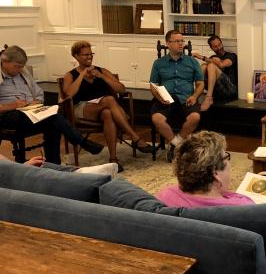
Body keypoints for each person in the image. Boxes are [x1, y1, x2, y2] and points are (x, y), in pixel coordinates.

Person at [0, 45, 104, 164]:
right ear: (4, 61)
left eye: (21, 67)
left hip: (30, 111)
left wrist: (37, 101)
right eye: (16, 67)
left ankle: (53, 164)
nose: (19, 70)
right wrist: (13, 105)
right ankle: (81, 142)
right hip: (8, 116)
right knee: (53, 118)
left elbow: (39, 93)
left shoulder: (23, 73)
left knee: (53, 122)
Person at [62, 41, 153, 173]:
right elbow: (68, 95)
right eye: (85, 55)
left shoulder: (101, 71)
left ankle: (113, 159)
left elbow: (121, 90)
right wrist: (81, 75)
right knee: (110, 100)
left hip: (104, 107)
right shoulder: (70, 75)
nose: (89, 57)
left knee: (108, 114)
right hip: (82, 108)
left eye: (91, 54)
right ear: (76, 56)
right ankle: (135, 137)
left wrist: (102, 77)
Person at [150, 31, 204, 162]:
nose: (181, 44)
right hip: (166, 98)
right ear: (168, 44)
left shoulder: (192, 62)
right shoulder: (158, 63)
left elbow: (200, 83)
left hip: (186, 97)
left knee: (195, 117)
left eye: (182, 41)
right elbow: (153, 85)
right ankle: (178, 145)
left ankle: (174, 144)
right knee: (157, 118)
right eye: (177, 41)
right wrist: (159, 97)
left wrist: (195, 96)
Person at [191, 35, 238, 111]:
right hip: (217, 92)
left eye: (219, 45)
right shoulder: (213, 57)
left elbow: (222, 65)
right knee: (203, 66)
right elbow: (211, 63)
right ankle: (197, 94)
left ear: (222, 43)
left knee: (211, 65)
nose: (219, 48)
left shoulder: (231, 56)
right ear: (211, 48)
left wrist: (201, 57)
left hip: (230, 90)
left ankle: (208, 98)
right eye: (215, 46)